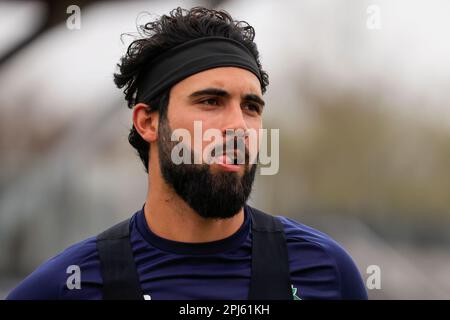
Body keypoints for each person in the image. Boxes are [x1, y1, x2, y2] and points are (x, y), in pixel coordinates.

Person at [7, 6, 367, 300]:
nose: (239, 126)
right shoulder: (68, 285)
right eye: (211, 101)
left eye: (251, 107)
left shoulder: (326, 271)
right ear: (148, 122)